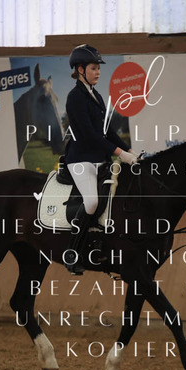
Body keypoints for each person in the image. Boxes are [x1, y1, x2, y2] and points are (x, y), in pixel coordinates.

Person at [64, 44, 137, 274]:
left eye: (99, 68)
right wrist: (120, 154)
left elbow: (108, 131)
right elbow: (90, 135)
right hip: (81, 160)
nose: (98, 72)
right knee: (92, 203)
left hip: (100, 159)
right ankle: (72, 253)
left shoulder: (96, 96)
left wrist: (130, 150)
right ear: (80, 69)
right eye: (94, 68)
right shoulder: (75, 97)